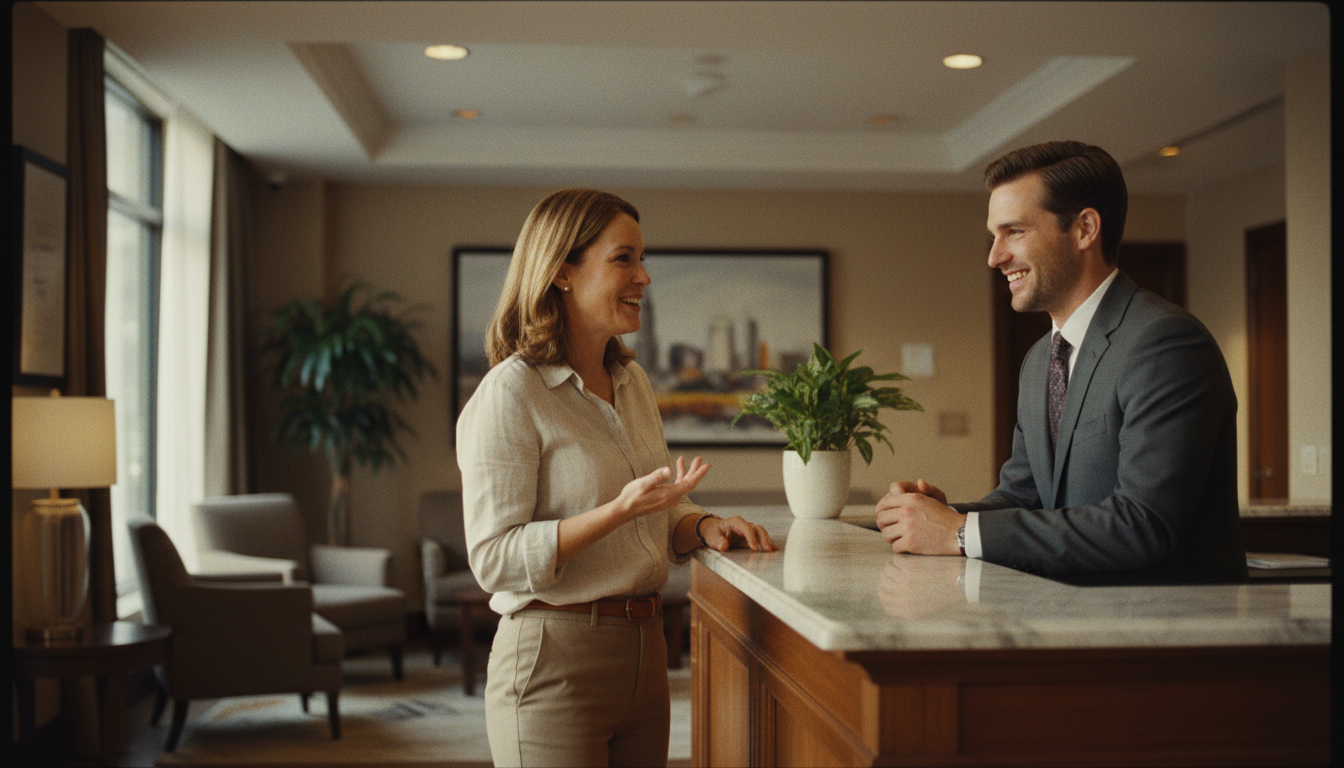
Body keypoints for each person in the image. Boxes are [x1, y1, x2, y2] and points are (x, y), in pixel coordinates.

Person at [457, 188, 779, 767]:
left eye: (642, 259)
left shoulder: (632, 384)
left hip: (646, 654)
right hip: (552, 660)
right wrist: (617, 511)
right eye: (623, 259)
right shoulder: (512, 391)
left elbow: (652, 510)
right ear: (561, 272)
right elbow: (494, 559)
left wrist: (702, 523)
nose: (644, 277)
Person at [876, 140, 1245, 585]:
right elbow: (1024, 497)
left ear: (1085, 228)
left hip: (1164, 638)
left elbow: (1143, 527)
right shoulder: (1039, 360)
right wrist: (941, 516)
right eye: (994, 235)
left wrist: (958, 533)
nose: (995, 256)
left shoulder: (1165, 343)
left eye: (1015, 232)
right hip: (1070, 623)